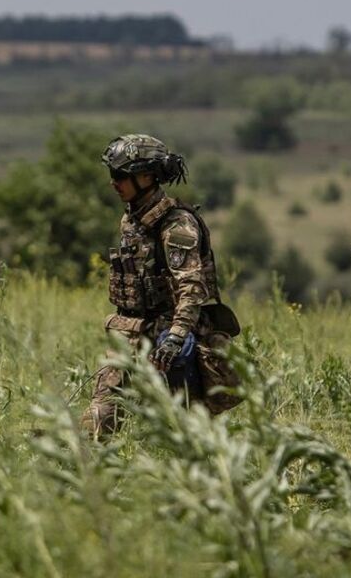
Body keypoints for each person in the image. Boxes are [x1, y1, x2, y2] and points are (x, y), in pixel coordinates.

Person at [81, 134, 242, 438]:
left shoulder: (176, 225)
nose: (114, 182)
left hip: (169, 339)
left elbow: (191, 287)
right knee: (101, 415)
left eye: (121, 175)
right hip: (129, 333)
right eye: (112, 175)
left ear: (146, 177)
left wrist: (176, 337)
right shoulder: (131, 219)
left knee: (184, 430)